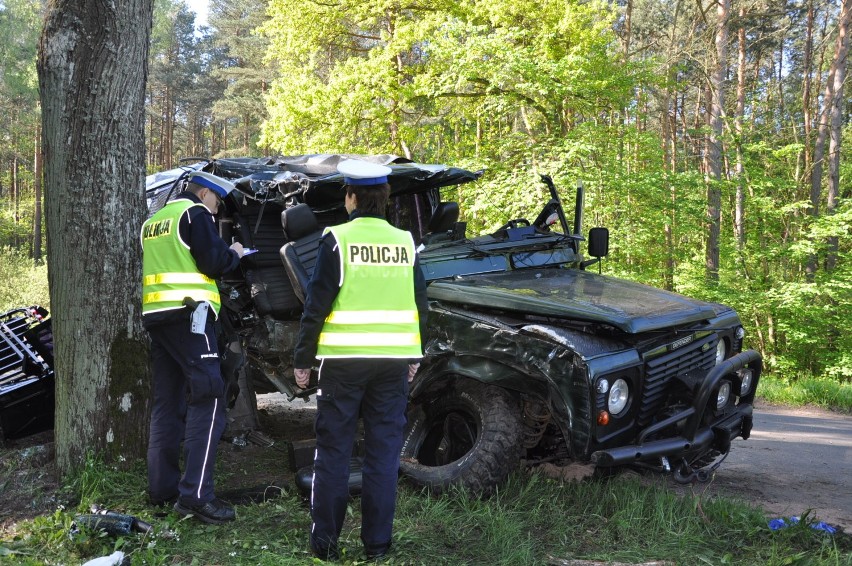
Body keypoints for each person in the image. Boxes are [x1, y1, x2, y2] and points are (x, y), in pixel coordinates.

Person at [293, 159, 428, 561]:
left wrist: (302, 359)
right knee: (383, 456)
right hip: (391, 364)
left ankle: (325, 546)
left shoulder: (337, 239)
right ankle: (378, 547)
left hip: (344, 363)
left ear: (351, 198)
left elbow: (316, 305)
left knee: (333, 453)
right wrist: (413, 355)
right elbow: (420, 304)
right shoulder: (406, 243)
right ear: (384, 199)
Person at [140, 170, 245, 524]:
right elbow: (213, 263)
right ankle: (196, 497)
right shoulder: (194, 214)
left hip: (158, 319)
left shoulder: (155, 221)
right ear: (204, 194)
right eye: (216, 202)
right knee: (210, 396)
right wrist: (235, 252)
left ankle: (162, 490)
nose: (216, 211)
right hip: (192, 317)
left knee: (167, 403)